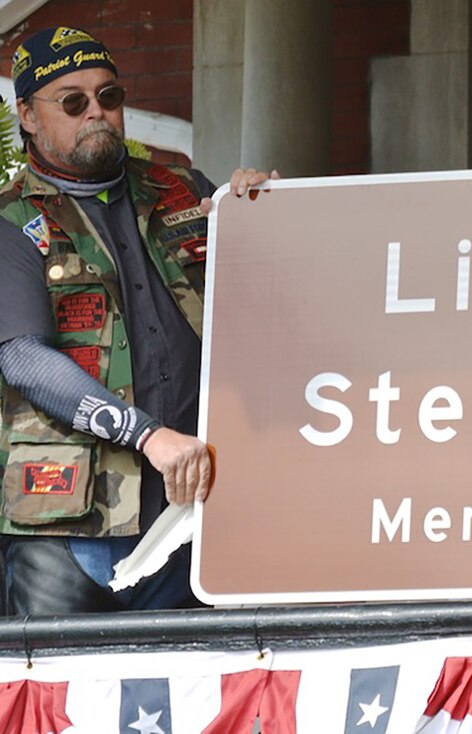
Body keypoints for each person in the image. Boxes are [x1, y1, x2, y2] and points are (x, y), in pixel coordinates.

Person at [0, 26, 275, 614]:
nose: (96, 112)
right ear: (26, 114)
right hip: (63, 528)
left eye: (109, 96)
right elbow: (23, 358)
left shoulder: (188, 192)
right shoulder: (9, 220)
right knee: (59, 700)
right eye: (73, 102)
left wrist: (266, 216)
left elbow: (270, 309)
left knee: (195, 697)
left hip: (191, 514)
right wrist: (148, 435)